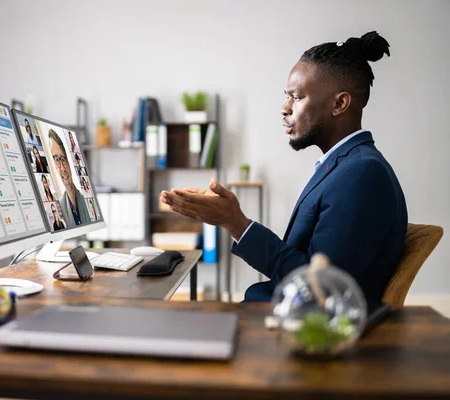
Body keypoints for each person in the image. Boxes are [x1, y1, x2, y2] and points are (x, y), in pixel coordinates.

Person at [161, 31, 407, 307]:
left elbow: (319, 288)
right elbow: (307, 266)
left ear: (339, 103)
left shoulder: (362, 174)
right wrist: (231, 220)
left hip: (302, 331)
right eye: (287, 97)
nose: (284, 108)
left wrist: (235, 223)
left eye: (297, 97)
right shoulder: (345, 167)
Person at [49, 128, 91, 228]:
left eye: (63, 159)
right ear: (55, 166)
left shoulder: (86, 200)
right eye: (57, 161)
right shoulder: (59, 209)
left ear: (69, 161)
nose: (62, 168)